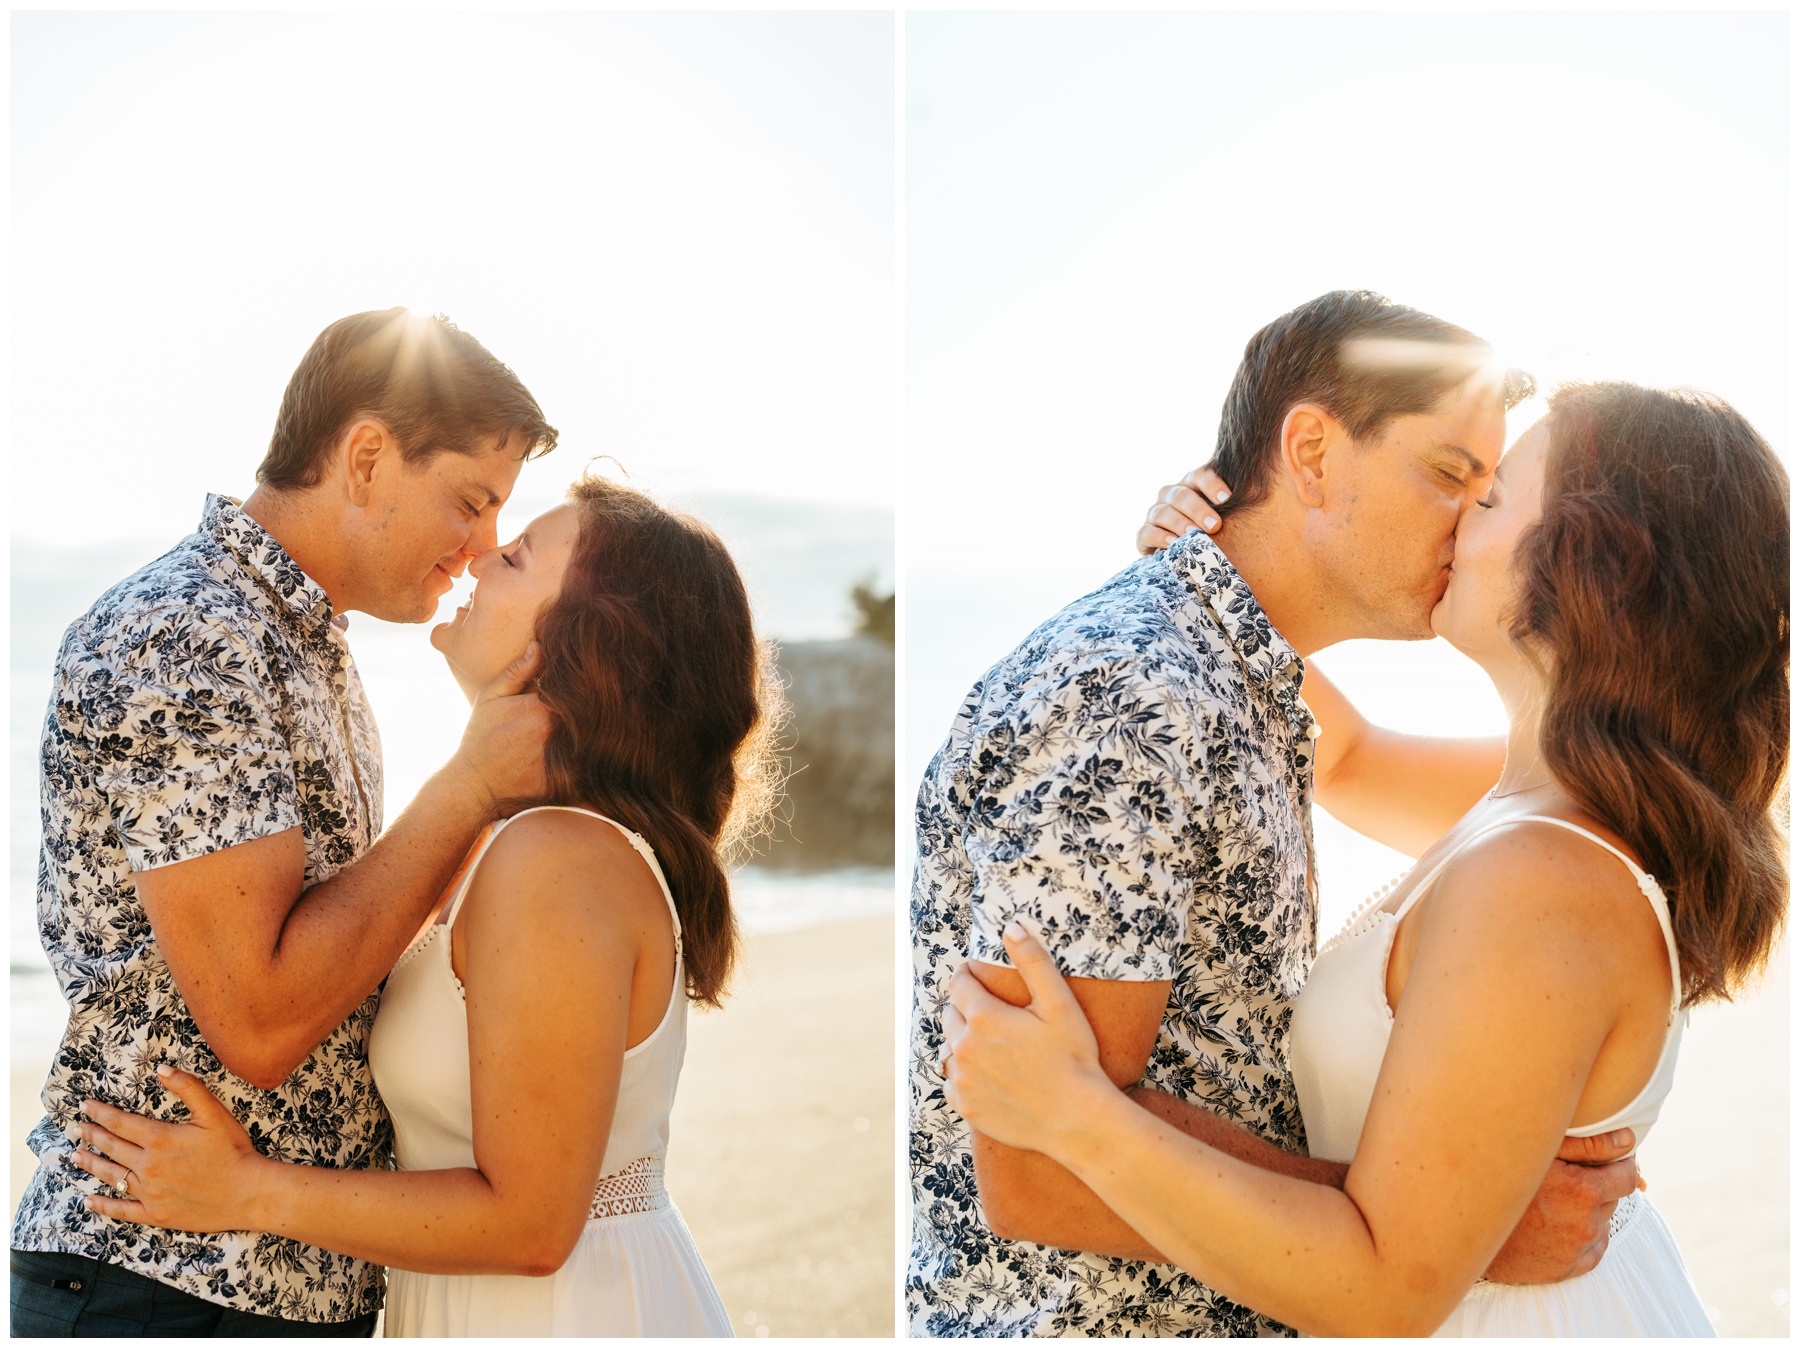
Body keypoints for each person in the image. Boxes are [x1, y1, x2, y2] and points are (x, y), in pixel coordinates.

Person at [942, 379, 1788, 1335]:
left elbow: (1388, 1287)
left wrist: (1077, 1115)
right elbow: (1340, 756)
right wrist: (1205, 569)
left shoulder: (1546, 877)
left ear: (1596, 568)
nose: (1461, 511)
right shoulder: (1540, 801)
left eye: (1494, 495)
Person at [63, 474, 775, 1336]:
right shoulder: (502, 836)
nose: (479, 557)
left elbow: (532, 1224)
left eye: (514, 558)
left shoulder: (556, 859)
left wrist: (248, 1189)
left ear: (590, 641)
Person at [10, 309, 557, 1336]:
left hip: (285, 1279)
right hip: (163, 1277)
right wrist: (469, 787)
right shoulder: (187, 632)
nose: (483, 548)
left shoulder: (309, 643)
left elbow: (356, 941)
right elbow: (259, 1020)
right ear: (364, 457)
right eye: (470, 502)